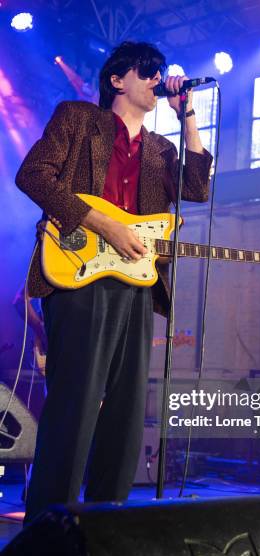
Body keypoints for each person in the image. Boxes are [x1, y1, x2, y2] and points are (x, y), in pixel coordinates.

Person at [15, 41, 212, 524]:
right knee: (76, 400)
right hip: (79, 273)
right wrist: (103, 225)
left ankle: (108, 523)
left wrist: (186, 116)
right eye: (147, 71)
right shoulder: (80, 119)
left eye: (160, 72)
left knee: (125, 409)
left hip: (137, 281)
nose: (156, 78)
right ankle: (50, 523)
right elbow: (33, 175)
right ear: (117, 80)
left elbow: (198, 190)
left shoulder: (161, 149)